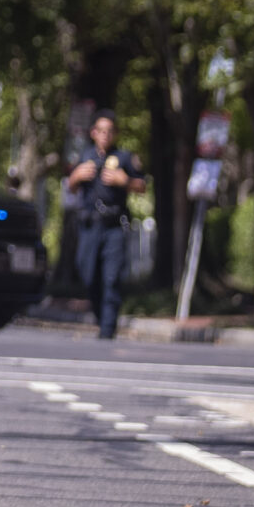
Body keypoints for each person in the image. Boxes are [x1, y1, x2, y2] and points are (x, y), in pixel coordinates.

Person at [67, 111, 147, 339]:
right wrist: (76, 176)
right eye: (101, 131)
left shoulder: (124, 158)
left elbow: (142, 186)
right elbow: (70, 188)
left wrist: (126, 181)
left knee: (111, 278)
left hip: (114, 226)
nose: (105, 135)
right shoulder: (85, 156)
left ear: (115, 134)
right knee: (88, 274)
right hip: (89, 225)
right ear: (93, 133)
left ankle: (108, 328)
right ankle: (102, 317)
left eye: (109, 131)